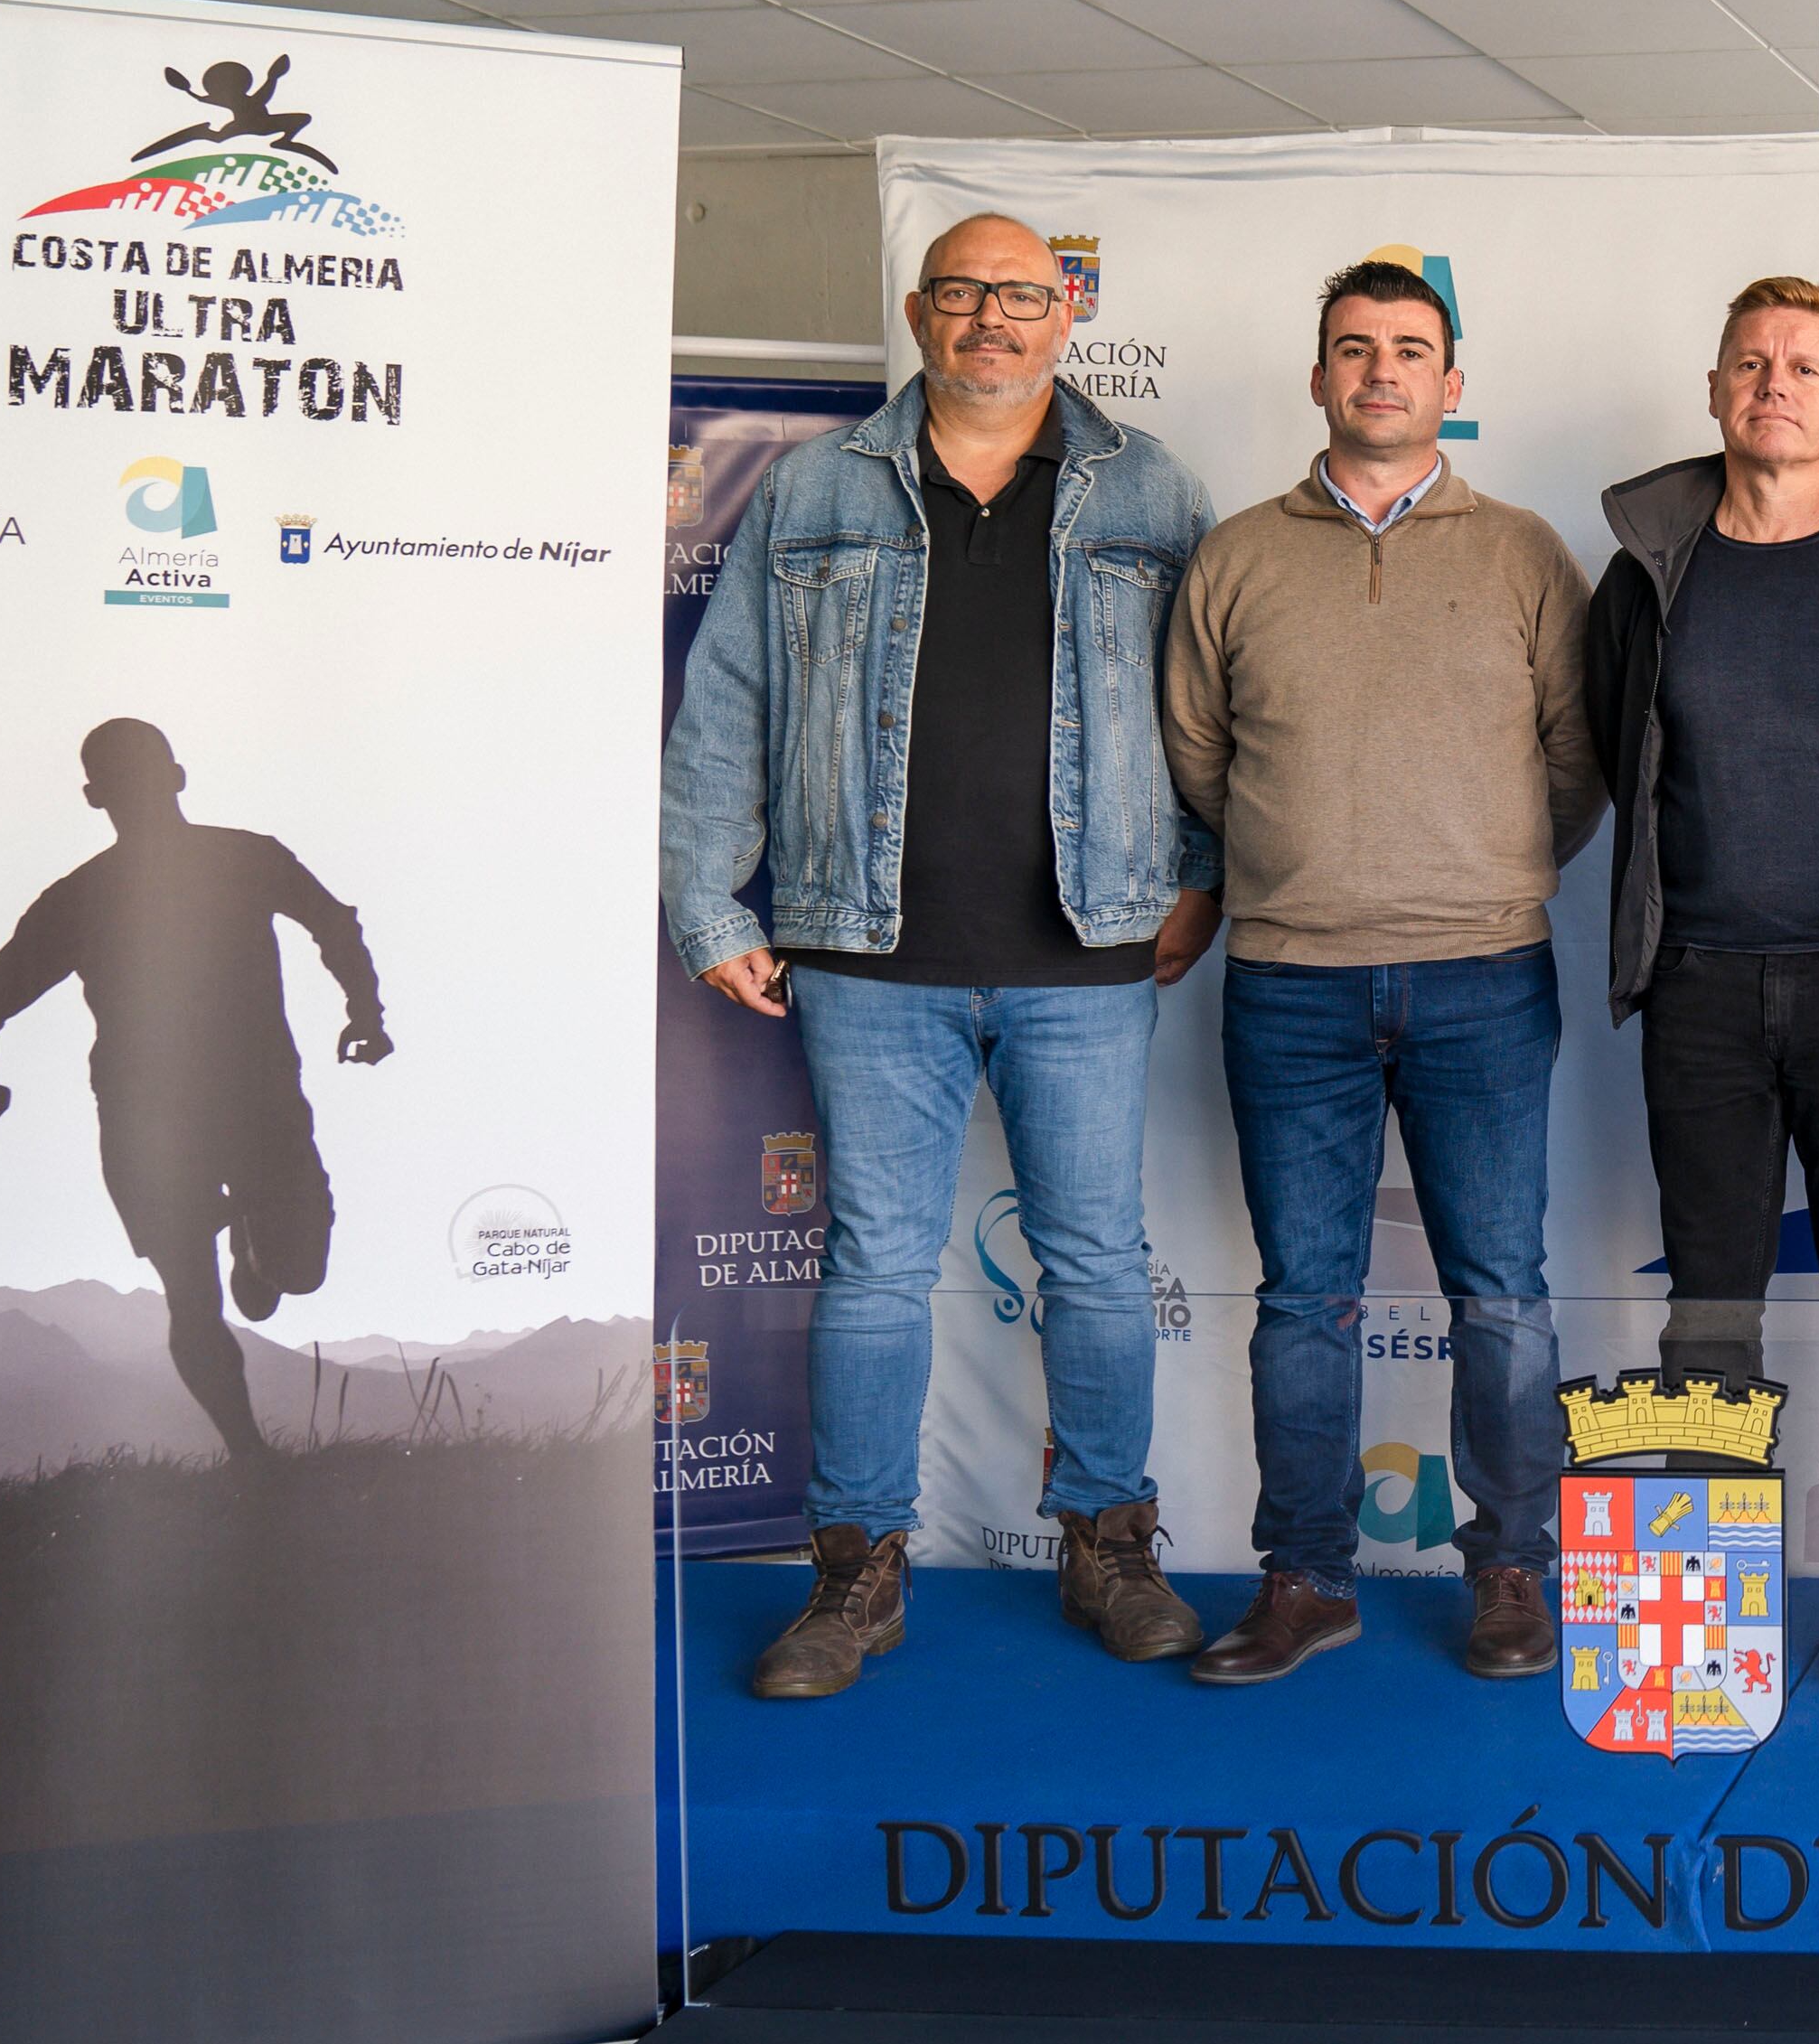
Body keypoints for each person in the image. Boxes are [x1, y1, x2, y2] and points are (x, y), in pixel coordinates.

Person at [664, 211, 1221, 1701]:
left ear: (1064, 314)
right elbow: (728, 706)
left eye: (1022, 296)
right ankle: (857, 1576)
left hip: (1088, 950)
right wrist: (712, 908)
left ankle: (1110, 1540)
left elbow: (1211, 708)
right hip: (864, 950)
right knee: (873, 1270)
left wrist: (1200, 876)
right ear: (920, 311)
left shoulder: (1151, 488)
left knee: (1099, 1263)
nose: (993, 318)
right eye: (967, 292)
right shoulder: (815, 490)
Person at [1164, 258, 1605, 1688]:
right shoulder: (1235, 557)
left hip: (1485, 974)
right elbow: (1199, 758)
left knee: (1504, 1294)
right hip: (1292, 984)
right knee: (1305, 1300)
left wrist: (1485, 871)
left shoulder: (1526, 554)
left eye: (1410, 350)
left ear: (1452, 385)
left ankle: (1516, 1574)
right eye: (1353, 349)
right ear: (1318, 378)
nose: (1381, 372)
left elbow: (1578, 757)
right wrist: (1302, 871)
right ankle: (1306, 1576)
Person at [1588, 276, 1819, 1699]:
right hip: (1700, 989)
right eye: (1751, 362)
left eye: (1805, 365)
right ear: (1715, 391)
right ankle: (1697, 1604)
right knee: (1709, 1308)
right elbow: (1615, 760)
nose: (1775, 384)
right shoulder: (1648, 573)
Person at [0, 718, 389, 1463]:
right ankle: (249, 1455)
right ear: (100, 797)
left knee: (298, 1271)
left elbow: (331, 922)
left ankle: (254, 1252)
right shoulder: (82, 898)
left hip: (259, 1102)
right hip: (145, 1120)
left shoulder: (246, 858)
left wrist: (366, 1012)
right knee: (190, 1292)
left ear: (175, 780)